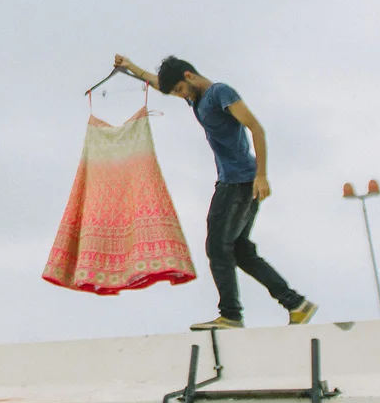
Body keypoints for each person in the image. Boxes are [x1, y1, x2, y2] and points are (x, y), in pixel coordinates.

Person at [112, 53, 317, 330]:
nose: (181, 95)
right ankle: (296, 304)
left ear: (189, 76)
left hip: (238, 183)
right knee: (240, 250)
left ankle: (231, 315)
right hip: (237, 182)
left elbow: (256, 128)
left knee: (217, 247)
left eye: (180, 89)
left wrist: (262, 175)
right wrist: (130, 67)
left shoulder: (220, 93)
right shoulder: (195, 98)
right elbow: (160, 85)